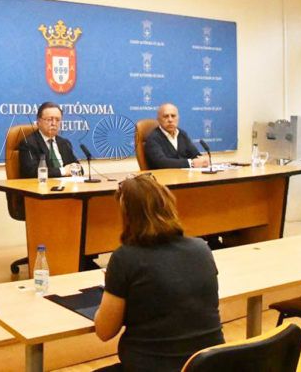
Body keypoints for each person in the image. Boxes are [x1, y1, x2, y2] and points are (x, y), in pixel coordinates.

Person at [94, 174, 224, 371]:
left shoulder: (125, 258)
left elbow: (104, 331)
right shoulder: (201, 248)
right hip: (208, 365)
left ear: (127, 216)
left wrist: (113, 287)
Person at [18, 101, 79, 178]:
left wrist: (74, 169)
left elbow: (78, 168)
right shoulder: (28, 143)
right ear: (39, 121)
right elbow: (32, 172)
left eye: (57, 120)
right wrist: (63, 171)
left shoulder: (65, 143)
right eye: (49, 119)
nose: (54, 123)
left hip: (66, 184)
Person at [144, 103, 209, 169]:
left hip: (184, 174)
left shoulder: (182, 134)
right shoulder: (153, 138)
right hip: (164, 175)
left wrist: (202, 160)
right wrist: (191, 163)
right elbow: (161, 162)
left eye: (173, 116)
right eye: (166, 116)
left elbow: (196, 155)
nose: (170, 120)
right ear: (158, 119)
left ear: (178, 118)